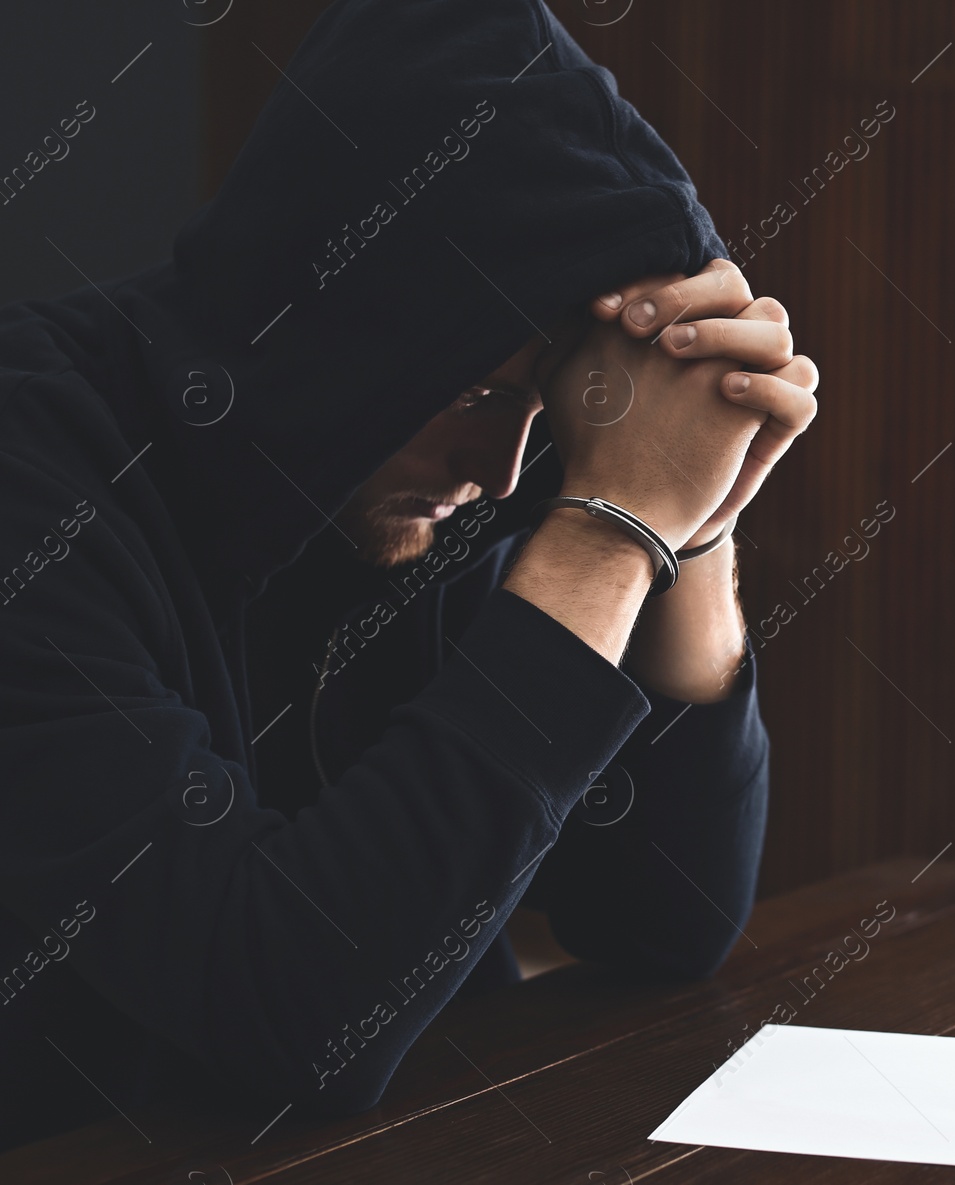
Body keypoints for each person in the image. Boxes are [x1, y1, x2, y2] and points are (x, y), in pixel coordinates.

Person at [0, 0, 816, 1152]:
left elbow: (662, 922)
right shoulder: (32, 477)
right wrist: (607, 531)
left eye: (548, 412)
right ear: (344, 313)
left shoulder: (417, 485)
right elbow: (289, 1016)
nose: (498, 473)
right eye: (482, 395)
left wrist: (693, 519)